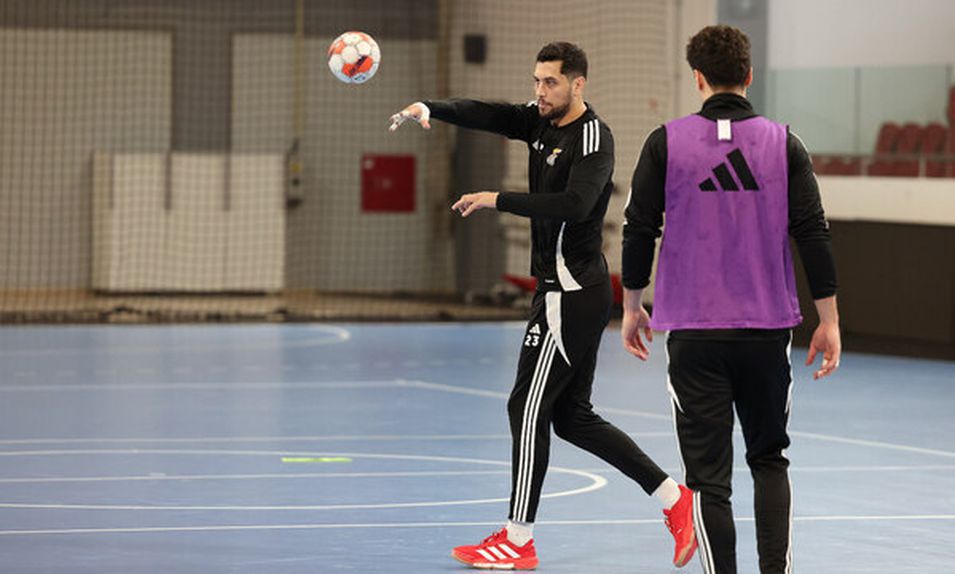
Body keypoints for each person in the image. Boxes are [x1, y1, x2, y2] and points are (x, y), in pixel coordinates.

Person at [390, 41, 697, 570]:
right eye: (536, 81)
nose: (540, 92)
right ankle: (675, 499)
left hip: (571, 293)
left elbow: (577, 206)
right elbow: (488, 113)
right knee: (573, 418)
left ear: (578, 84)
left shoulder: (594, 137)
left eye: (550, 82)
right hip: (555, 291)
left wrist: (496, 198)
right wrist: (430, 109)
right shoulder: (538, 121)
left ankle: (518, 538)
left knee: (526, 407)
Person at [620, 25, 842, 574]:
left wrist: (630, 304)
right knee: (769, 461)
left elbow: (637, 227)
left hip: (694, 335)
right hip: (766, 332)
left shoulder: (664, 142)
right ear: (748, 75)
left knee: (707, 480)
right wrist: (829, 320)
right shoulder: (784, 142)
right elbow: (813, 231)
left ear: (697, 78)